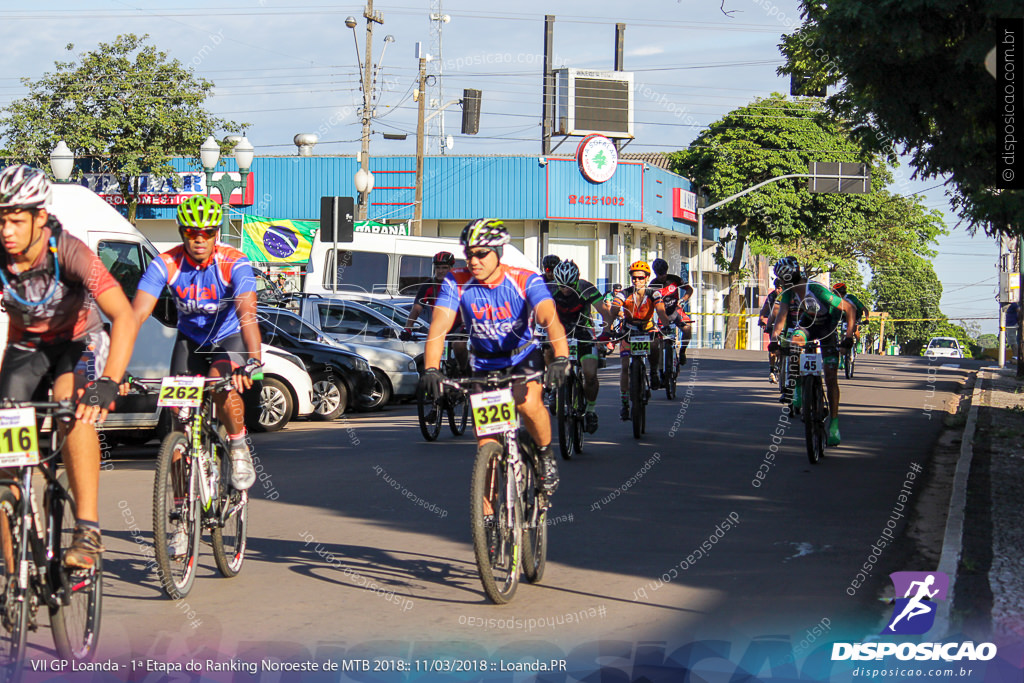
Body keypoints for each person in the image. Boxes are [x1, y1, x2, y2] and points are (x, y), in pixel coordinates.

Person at [0, 164, 138, 569]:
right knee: (5, 450)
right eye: (0, 220)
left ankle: (88, 530)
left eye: (15, 220)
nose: (6, 230)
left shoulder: (70, 250)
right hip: (26, 347)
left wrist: (110, 381)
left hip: (77, 343)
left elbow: (124, 316)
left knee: (71, 408)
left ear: (40, 218)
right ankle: (14, 580)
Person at [422, 219, 569, 494]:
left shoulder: (525, 279)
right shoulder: (457, 281)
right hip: (484, 362)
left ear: (499, 253)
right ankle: (488, 521)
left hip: (521, 357)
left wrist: (561, 357)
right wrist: (431, 368)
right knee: (486, 444)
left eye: (481, 254)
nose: (473, 260)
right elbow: (438, 328)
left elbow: (549, 317)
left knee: (527, 405)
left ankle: (545, 455)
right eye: (469, 253)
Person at [132, 195, 262, 493]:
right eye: (192, 232)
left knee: (220, 385)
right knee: (178, 420)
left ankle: (238, 444)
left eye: (207, 233)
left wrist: (253, 360)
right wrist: (111, 368)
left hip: (228, 339)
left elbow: (247, 316)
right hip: (190, 341)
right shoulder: (166, 263)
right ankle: (179, 514)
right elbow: (135, 316)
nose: (199, 239)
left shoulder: (234, 263)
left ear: (216, 235)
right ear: (182, 233)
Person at [769, 256, 856, 446]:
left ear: (789, 278)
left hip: (828, 326)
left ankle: (834, 424)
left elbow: (849, 308)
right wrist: (774, 340)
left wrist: (848, 338)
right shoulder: (788, 293)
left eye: (782, 279)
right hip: (809, 323)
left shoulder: (815, 289)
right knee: (794, 342)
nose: (781, 283)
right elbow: (781, 318)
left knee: (831, 377)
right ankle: (799, 386)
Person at [546, 259, 617, 433]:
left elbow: (605, 313)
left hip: (583, 334)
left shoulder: (586, 288)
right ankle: (554, 386)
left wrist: (606, 334)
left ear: (577, 280)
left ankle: (591, 410)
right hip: (559, 334)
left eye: (569, 285)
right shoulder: (550, 289)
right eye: (561, 285)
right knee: (546, 351)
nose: (565, 289)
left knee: (590, 375)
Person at [610, 260, 671, 420]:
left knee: (656, 344)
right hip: (629, 330)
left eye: (641, 278)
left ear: (647, 278)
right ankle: (624, 403)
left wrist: (666, 325)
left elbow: (661, 311)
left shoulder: (654, 294)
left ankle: (654, 373)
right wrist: (609, 325)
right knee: (624, 367)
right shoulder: (624, 293)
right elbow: (614, 309)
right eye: (634, 278)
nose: (637, 281)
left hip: (647, 328)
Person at [649, 257, 694, 371]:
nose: (662, 276)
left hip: (676, 310)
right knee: (658, 342)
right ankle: (659, 369)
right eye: (660, 274)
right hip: (661, 314)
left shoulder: (675, 279)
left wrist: (683, 299)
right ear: (655, 273)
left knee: (687, 328)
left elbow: (689, 289)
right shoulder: (652, 285)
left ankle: (683, 352)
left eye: (664, 273)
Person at [758, 278, 783, 383]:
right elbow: (765, 308)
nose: (778, 290)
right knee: (773, 348)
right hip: (774, 323)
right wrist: (761, 319)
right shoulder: (772, 296)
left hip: (786, 323)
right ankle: (772, 371)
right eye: (777, 288)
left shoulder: (789, 295)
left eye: (780, 288)